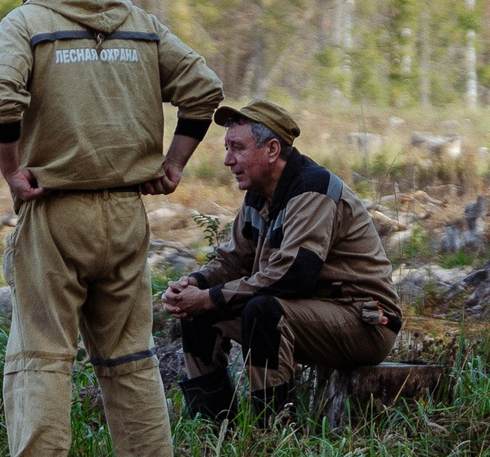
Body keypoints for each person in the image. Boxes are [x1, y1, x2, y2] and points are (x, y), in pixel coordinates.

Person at [0, 0, 224, 457]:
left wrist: (14, 174)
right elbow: (205, 91)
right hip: (126, 216)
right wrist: (175, 163)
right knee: (132, 356)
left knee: (41, 351)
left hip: (56, 212)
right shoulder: (140, 23)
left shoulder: (26, 25)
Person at [159, 99, 402, 424]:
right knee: (198, 317)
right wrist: (194, 286)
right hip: (308, 314)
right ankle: (214, 438)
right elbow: (232, 261)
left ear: (272, 149)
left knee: (264, 311)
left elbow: (293, 277)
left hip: (364, 322)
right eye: (227, 148)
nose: (227, 160)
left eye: (237, 148)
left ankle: (272, 437)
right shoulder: (259, 194)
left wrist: (209, 298)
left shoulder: (313, 190)